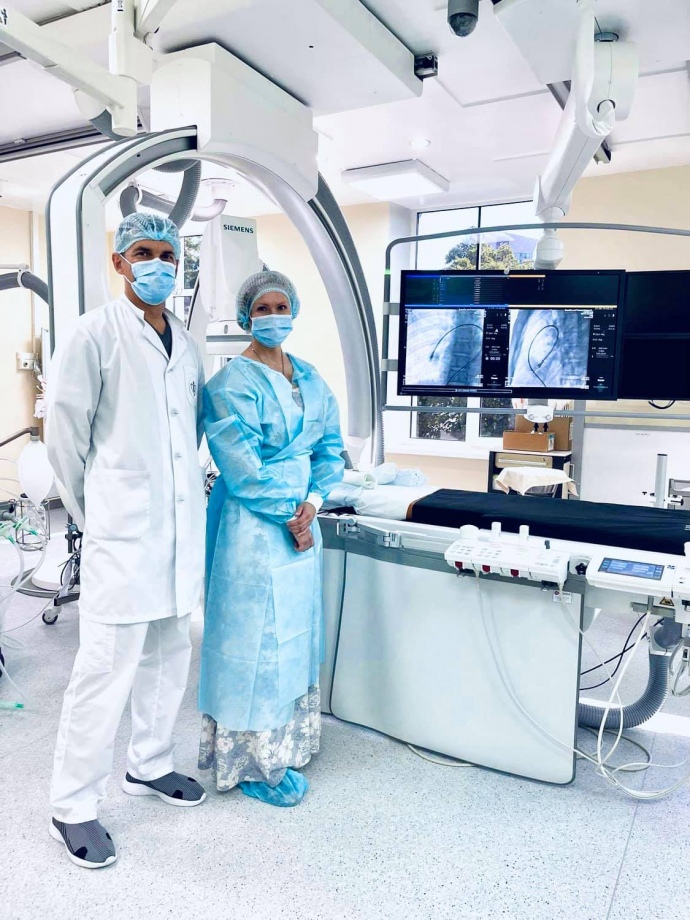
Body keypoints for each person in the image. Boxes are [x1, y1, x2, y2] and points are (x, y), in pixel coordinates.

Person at [46, 214, 207, 869]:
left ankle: (149, 763)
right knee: (104, 670)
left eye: (168, 254)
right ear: (119, 262)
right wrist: (96, 512)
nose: (159, 264)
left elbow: (188, 431)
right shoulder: (93, 334)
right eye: (145, 252)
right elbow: (64, 436)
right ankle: (71, 805)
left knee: (170, 653)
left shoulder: (186, 341)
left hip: (176, 532)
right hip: (121, 533)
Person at [198, 270, 344, 807]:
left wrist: (313, 504)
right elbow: (243, 470)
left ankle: (290, 743)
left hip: (301, 522)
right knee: (255, 641)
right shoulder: (229, 385)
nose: (274, 316)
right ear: (246, 316)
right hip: (254, 529)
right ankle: (252, 759)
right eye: (263, 308)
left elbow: (330, 448)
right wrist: (292, 515)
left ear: (294, 311)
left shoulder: (310, 378)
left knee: (295, 635)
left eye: (282, 306)